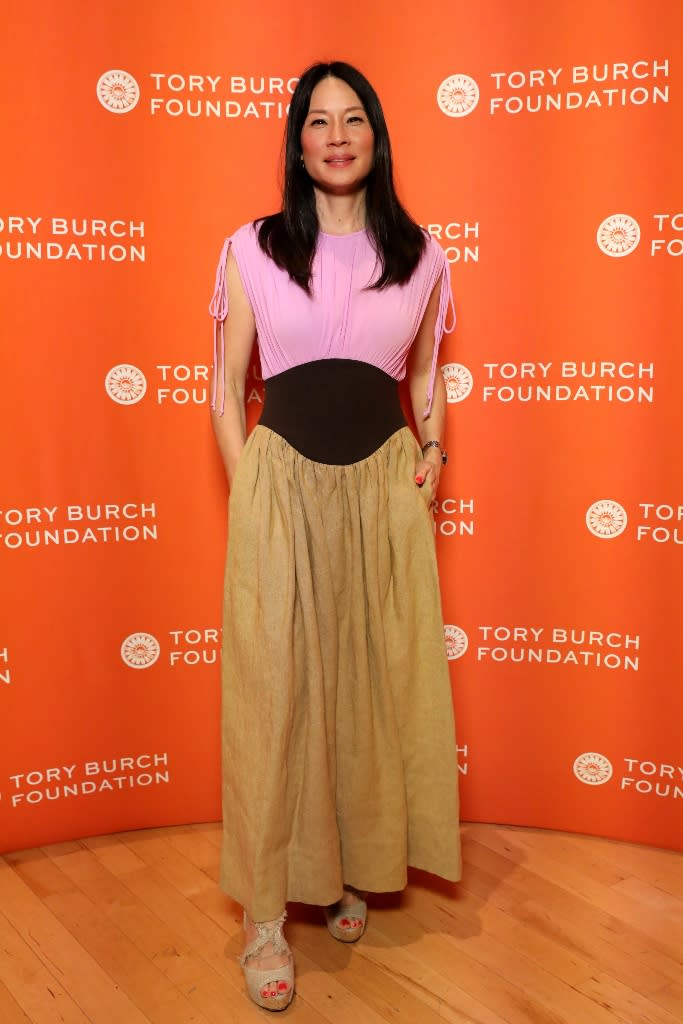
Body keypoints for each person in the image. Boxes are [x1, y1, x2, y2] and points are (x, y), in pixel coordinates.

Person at [209, 60, 461, 1012]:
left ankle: (349, 867)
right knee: (278, 694)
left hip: (382, 489)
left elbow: (424, 376)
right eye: (318, 121)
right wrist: (251, 497)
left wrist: (435, 447)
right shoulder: (253, 246)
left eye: (353, 118)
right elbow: (224, 391)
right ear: (297, 140)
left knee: (367, 685)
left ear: (375, 134)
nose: (337, 134)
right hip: (282, 486)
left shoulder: (423, 254)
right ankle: (265, 918)